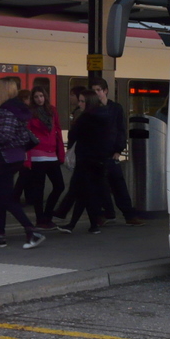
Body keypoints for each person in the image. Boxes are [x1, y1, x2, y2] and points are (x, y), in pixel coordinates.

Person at [0, 79, 45, 249]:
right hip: (15, 157)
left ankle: (31, 231)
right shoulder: (15, 109)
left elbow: (5, 135)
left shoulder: (6, 109)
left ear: (2, 91)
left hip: (6, 158)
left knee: (4, 198)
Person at [90, 78, 144, 226]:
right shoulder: (93, 109)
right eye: (94, 91)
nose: (97, 93)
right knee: (102, 185)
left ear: (105, 91)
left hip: (111, 153)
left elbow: (121, 129)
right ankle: (108, 213)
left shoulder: (116, 108)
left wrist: (118, 150)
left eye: (98, 90)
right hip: (98, 153)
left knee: (118, 184)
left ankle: (128, 214)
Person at [59, 89, 110, 234]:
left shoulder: (86, 118)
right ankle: (87, 225)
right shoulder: (103, 115)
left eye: (82, 101)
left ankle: (64, 215)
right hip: (98, 160)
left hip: (86, 160)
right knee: (86, 193)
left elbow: (74, 135)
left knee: (80, 190)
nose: (79, 103)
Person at [24, 85, 66, 229]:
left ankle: (46, 216)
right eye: (36, 97)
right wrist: (27, 159)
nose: (39, 99)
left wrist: (61, 152)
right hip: (37, 154)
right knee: (39, 189)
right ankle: (40, 219)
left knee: (59, 186)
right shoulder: (30, 113)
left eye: (41, 96)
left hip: (52, 153)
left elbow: (58, 131)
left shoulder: (52, 110)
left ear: (45, 96)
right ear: (33, 99)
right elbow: (27, 135)